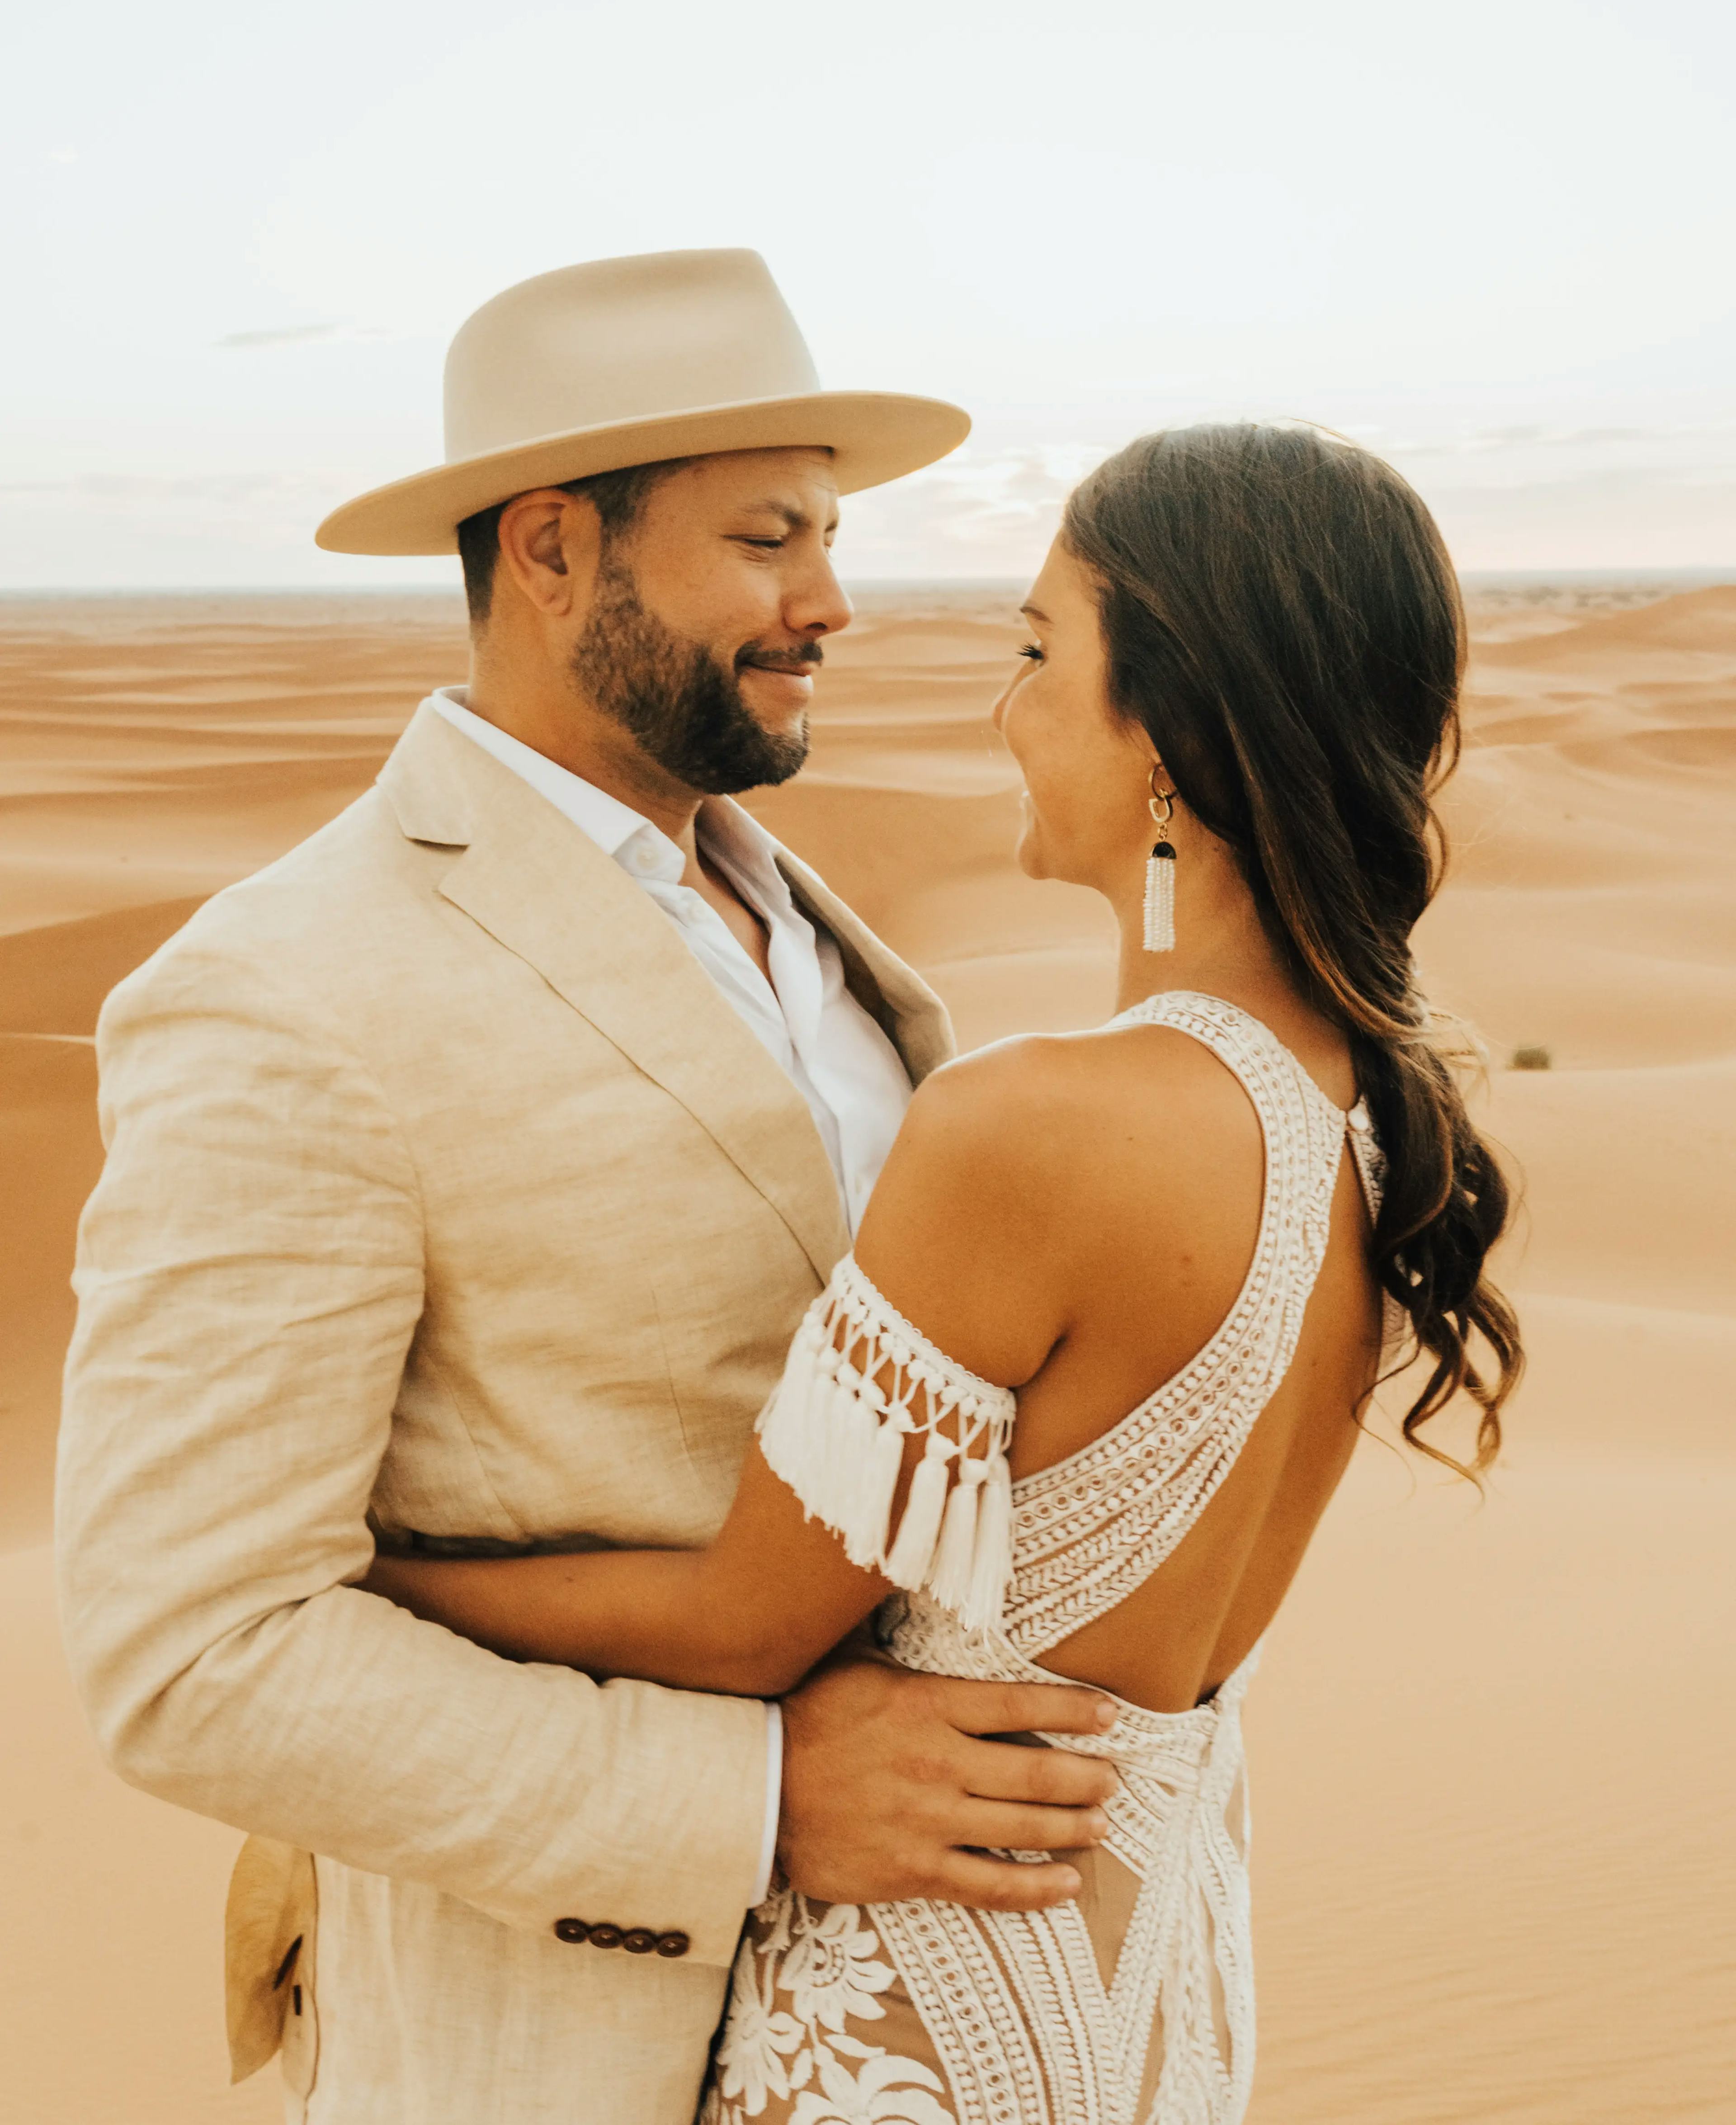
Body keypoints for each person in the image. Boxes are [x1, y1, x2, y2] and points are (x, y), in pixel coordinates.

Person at [55, 249, 1125, 2125]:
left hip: (943, 2033)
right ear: (551, 550)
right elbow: (193, 1651)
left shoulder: (819, 934)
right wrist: (769, 1799)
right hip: (559, 2058)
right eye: (772, 539)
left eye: (831, 537)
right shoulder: (290, 985)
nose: (831, 601)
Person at [362, 420, 1524, 2125]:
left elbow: (741, 1625)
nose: (1012, 707)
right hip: (1162, 2003)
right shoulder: (1370, 1125)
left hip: (925, 2023)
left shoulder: (1037, 1124)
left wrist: (370, 1580)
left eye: (1044, 651)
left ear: (1172, 736)